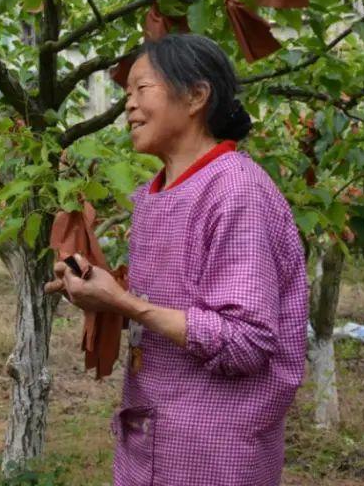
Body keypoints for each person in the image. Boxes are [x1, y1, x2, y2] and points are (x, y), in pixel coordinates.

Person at [46, 33, 308, 486]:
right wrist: (101, 297)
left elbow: (244, 341)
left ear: (196, 96)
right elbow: (173, 308)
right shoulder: (156, 193)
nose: (127, 105)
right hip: (155, 432)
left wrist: (127, 305)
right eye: (126, 93)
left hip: (214, 447)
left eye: (141, 89)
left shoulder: (235, 191)